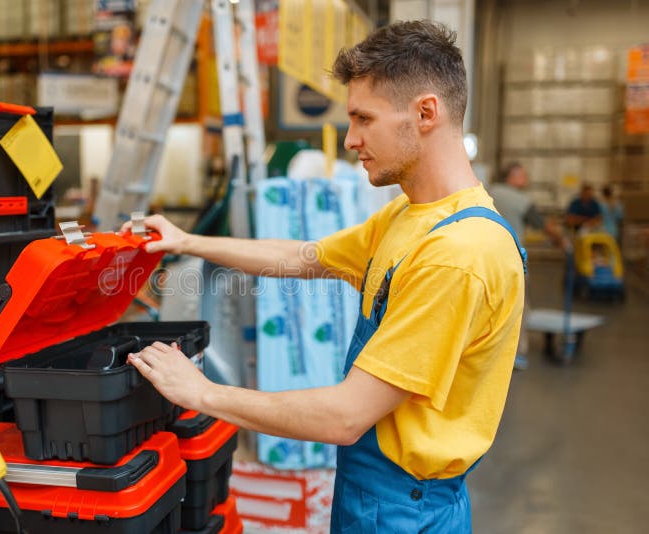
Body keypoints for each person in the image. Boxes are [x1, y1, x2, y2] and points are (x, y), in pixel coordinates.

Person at [123, 21, 525, 533]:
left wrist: (202, 393)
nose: (352, 139)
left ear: (426, 112)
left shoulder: (457, 255)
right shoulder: (412, 216)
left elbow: (345, 416)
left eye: (363, 118)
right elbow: (304, 257)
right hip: (374, 490)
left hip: (404, 508)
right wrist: (186, 241)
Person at [488, 162, 570, 370]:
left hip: (484, 259)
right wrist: (562, 242)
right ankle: (517, 354)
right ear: (512, 176)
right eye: (523, 175)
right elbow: (544, 226)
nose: (526, 179)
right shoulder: (521, 200)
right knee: (520, 307)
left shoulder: (489, 191)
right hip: (511, 261)